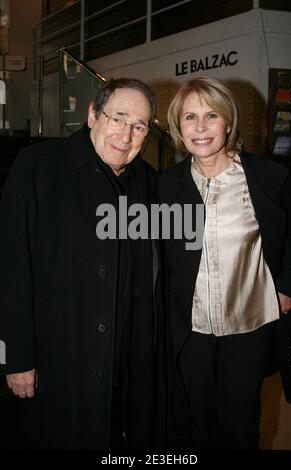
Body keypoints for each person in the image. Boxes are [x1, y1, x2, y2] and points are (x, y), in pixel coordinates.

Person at [0, 78, 164, 450]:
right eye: (118, 117)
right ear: (92, 115)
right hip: (56, 358)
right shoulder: (37, 166)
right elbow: (10, 267)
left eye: (139, 126)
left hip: (124, 361)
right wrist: (15, 357)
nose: (126, 134)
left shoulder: (149, 183)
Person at [158, 76, 291, 449]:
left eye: (211, 115)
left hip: (248, 324)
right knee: (194, 424)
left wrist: (288, 283)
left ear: (229, 122)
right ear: (178, 128)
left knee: (239, 426)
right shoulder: (165, 186)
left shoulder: (267, 177)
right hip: (191, 330)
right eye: (189, 118)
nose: (201, 128)